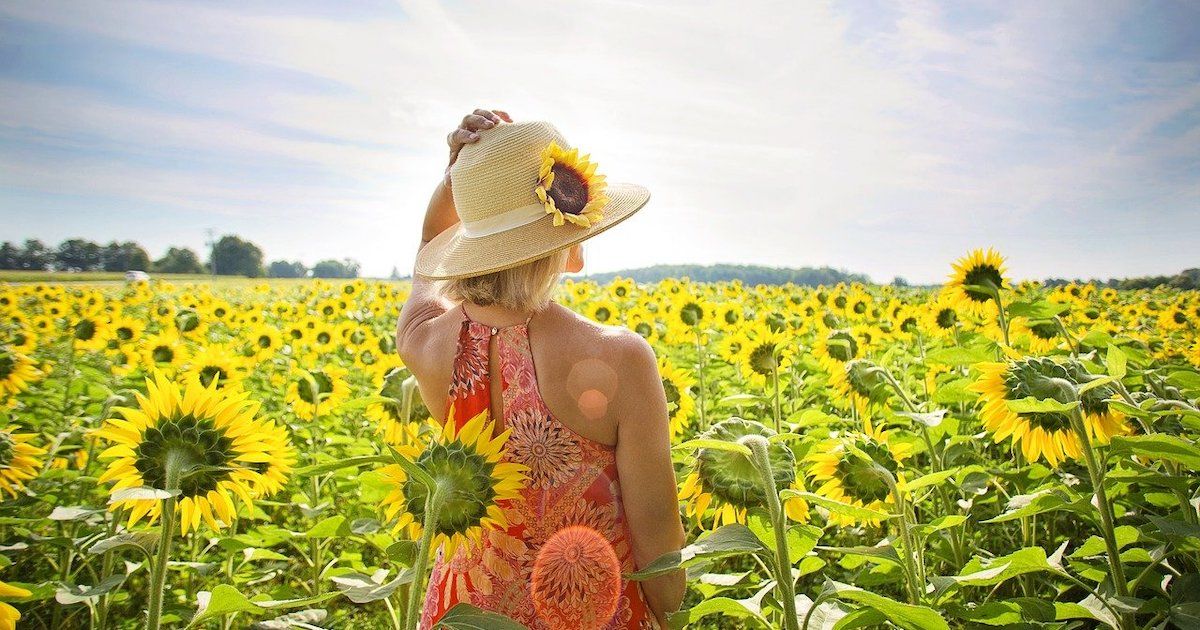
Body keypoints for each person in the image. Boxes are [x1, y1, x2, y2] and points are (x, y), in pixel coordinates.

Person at [395, 108, 686, 629]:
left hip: (463, 613)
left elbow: (425, 254)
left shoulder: (426, 340)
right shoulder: (620, 358)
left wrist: (455, 180)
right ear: (568, 244)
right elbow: (659, 544)